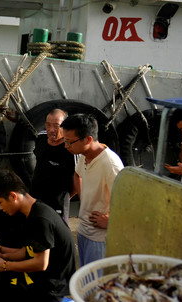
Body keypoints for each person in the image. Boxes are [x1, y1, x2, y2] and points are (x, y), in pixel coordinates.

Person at [0, 170, 77, 302]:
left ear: (13, 196)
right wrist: (1, 253)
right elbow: (27, 251)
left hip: (48, 286)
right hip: (34, 276)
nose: (0, 208)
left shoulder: (40, 219)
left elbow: (41, 263)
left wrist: (5, 265)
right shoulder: (31, 212)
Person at [62, 114, 123, 266]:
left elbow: (130, 202)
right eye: (65, 141)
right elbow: (77, 175)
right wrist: (85, 199)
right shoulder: (84, 154)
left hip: (100, 239)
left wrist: (111, 221)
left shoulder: (110, 164)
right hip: (84, 231)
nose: (66, 146)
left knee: (97, 286)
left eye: (70, 142)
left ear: (88, 139)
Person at [29, 109, 75, 224]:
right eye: (48, 125)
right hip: (36, 198)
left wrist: (66, 197)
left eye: (56, 126)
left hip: (58, 202)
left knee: (57, 232)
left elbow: (79, 177)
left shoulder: (71, 147)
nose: (51, 130)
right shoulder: (41, 137)